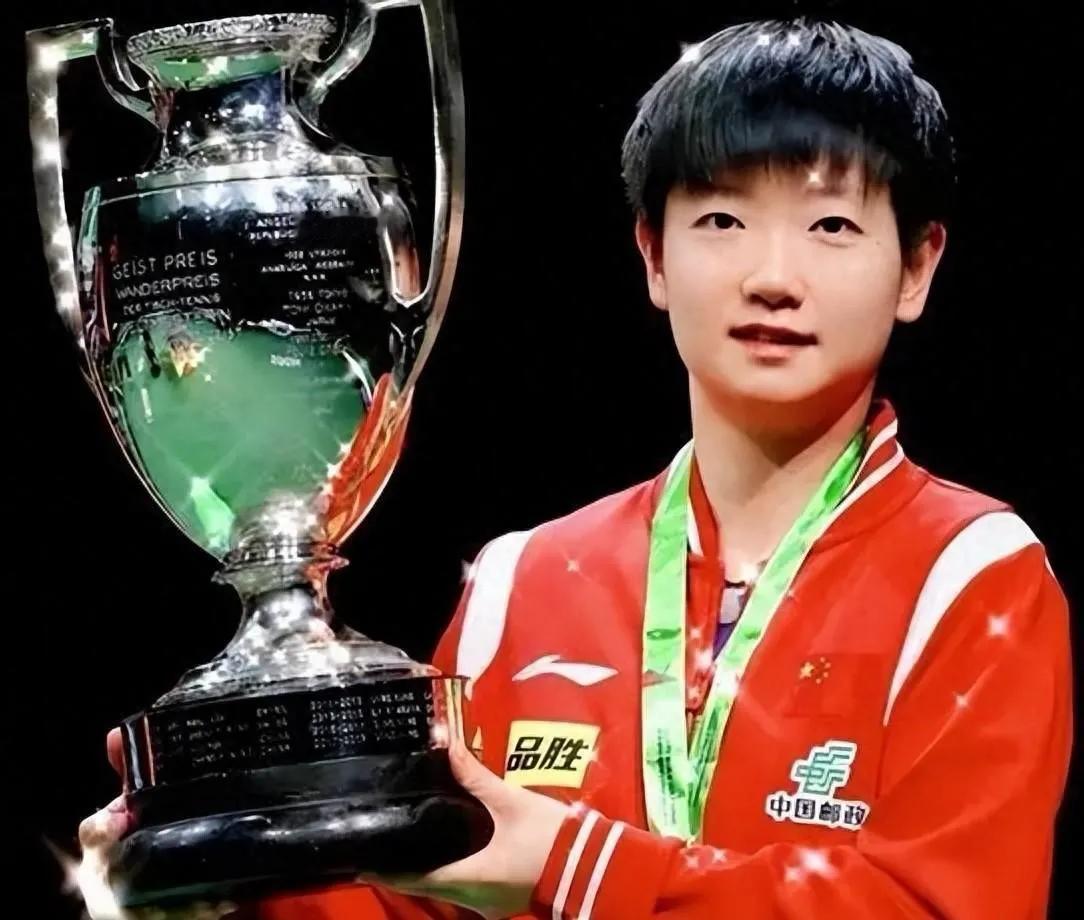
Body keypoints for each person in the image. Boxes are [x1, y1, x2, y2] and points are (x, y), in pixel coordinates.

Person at [78, 16, 1073, 920]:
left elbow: (945, 906)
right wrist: (231, 877)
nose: (774, 275)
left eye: (831, 226)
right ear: (653, 255)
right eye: (722, 221)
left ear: (917, 266)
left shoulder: (972, 576)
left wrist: (573, 863)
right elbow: (417, 903)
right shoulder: (523, 581)